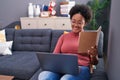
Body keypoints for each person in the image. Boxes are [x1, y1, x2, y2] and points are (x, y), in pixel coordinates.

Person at [38, 4, 98, 80]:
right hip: (61, 68)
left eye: (79, 23)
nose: (76, 25)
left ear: (85, 23)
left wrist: (94, 56)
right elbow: (54, 55)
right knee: (44, 76)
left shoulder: (89, 38)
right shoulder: (63, 37)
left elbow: (95, 63)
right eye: (73, 21)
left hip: (81, 69)